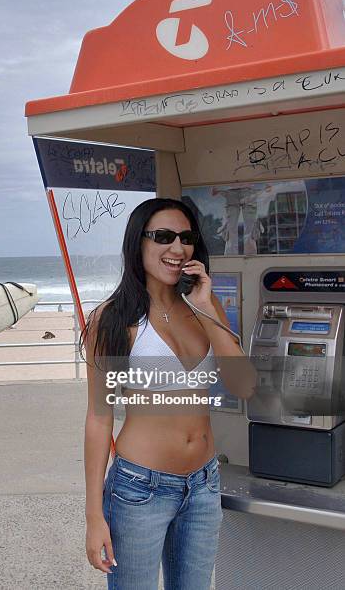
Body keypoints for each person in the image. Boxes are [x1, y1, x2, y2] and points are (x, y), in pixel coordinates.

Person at [83, 198, 255, 589]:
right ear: (138, 243)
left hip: (204, 483)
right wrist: (95, 516)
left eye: (186, 237)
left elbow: (244, 385)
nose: (177, 249)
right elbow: (99, 417)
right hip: (140, 486)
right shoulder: (113, 320)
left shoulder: (205, 305)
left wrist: (207, 308)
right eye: (163, 237)